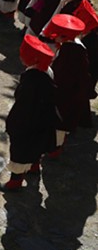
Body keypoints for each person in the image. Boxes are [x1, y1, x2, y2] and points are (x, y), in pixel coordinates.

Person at [0, 35, 57, 192]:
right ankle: (34, 167)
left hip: (28, 123)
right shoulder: (47, 71)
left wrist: (13, 124)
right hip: (43, 119)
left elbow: (24, 107)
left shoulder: (31, 80)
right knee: (36, 145)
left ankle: (15, 182)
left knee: (21, 151)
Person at [43, 14, 91, 158]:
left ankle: (55, 150)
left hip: (65, 96)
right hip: (66, 92)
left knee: (59, 124)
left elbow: (64, 77)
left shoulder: (72, 52)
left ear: (64, 36)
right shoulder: (72, 47)